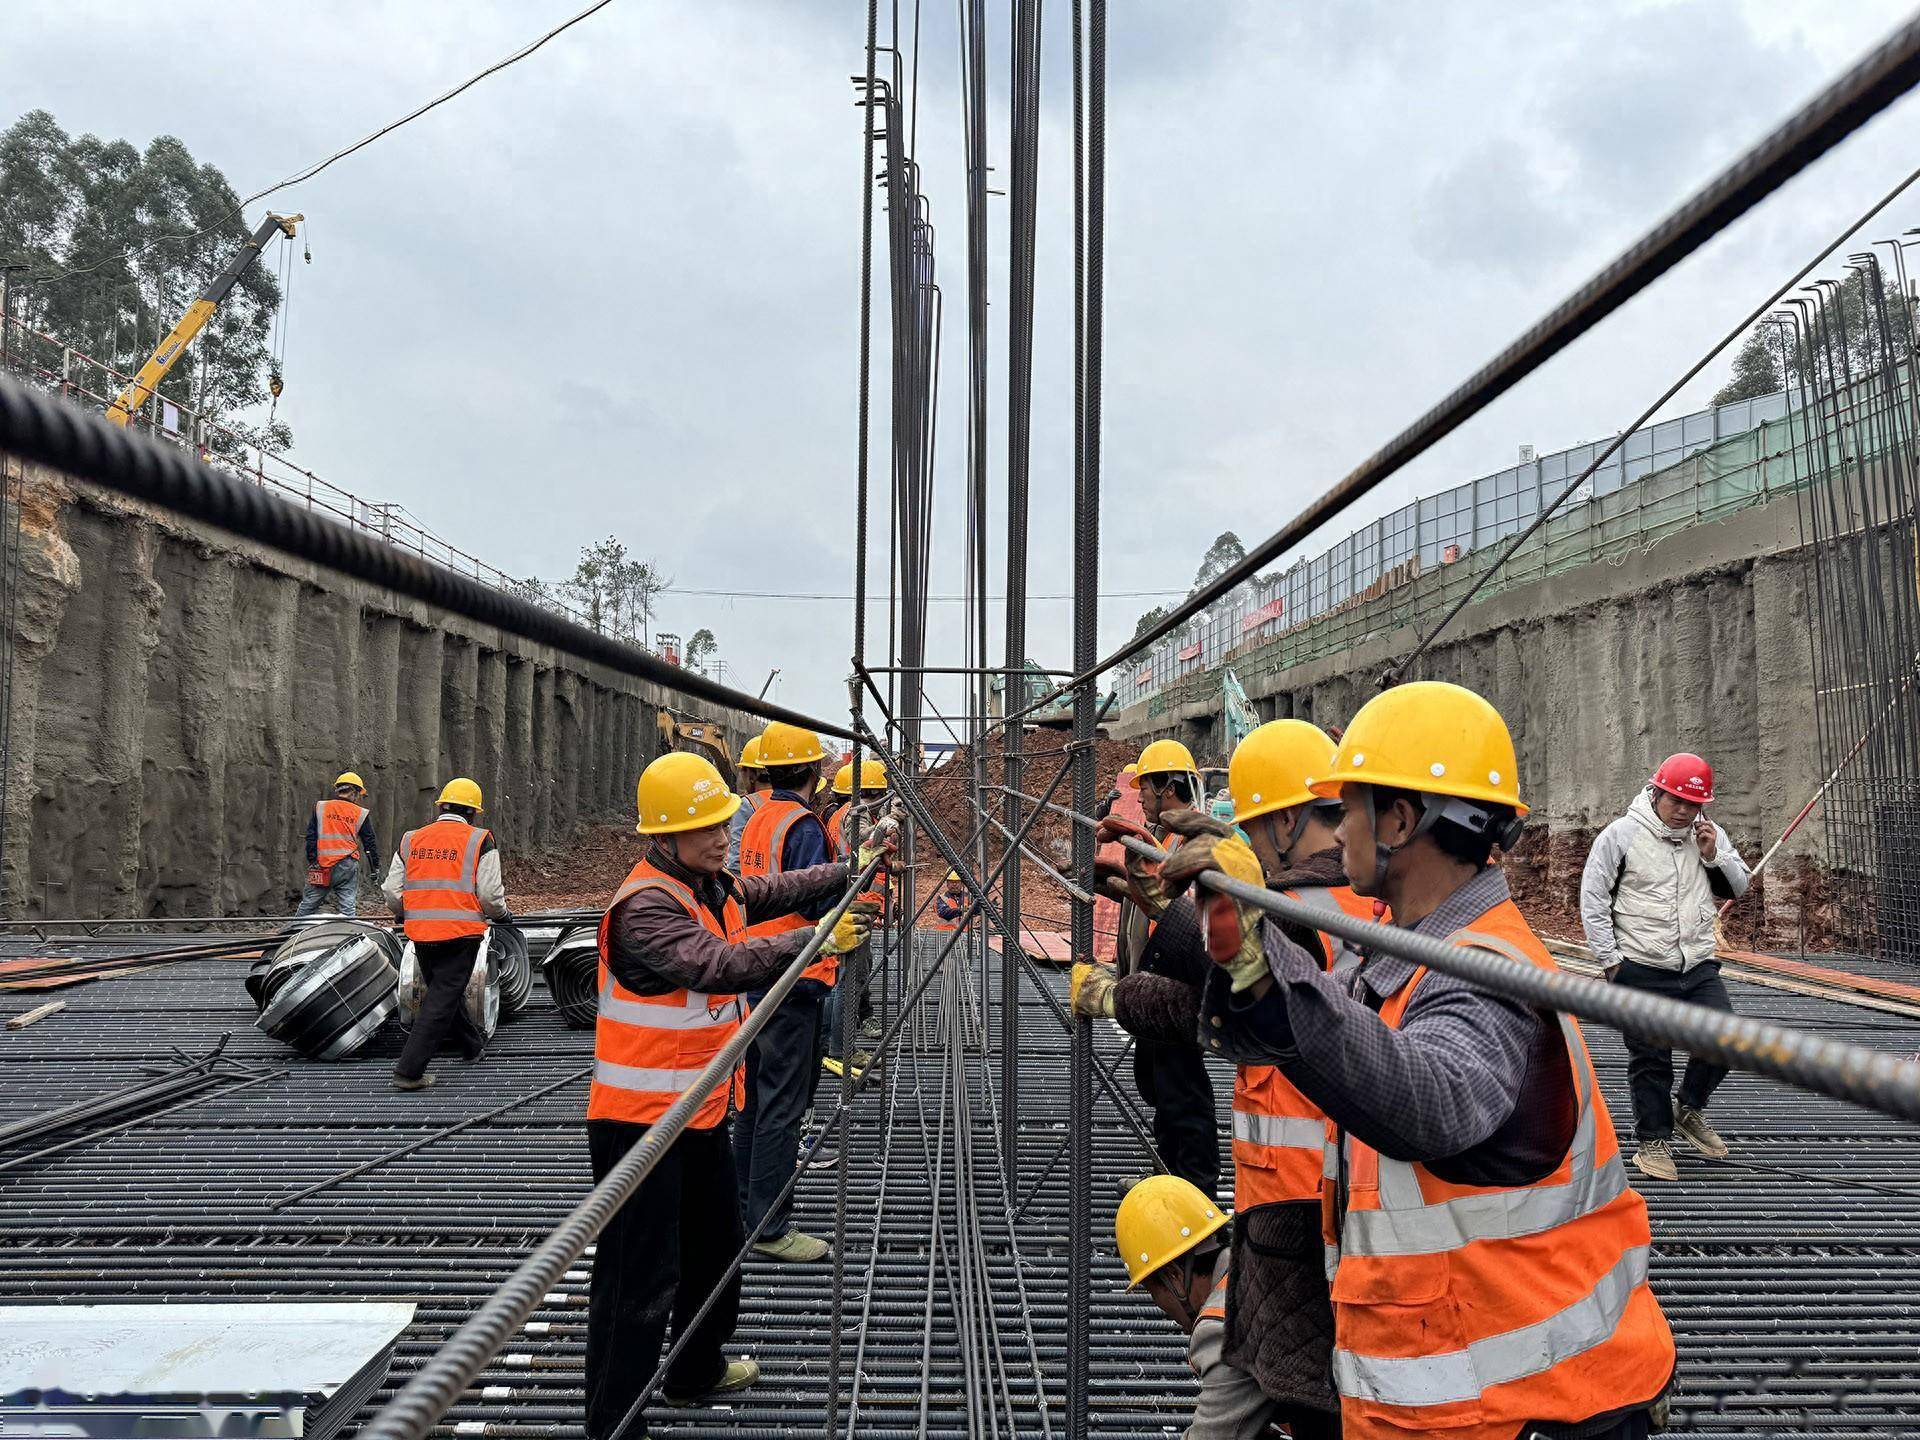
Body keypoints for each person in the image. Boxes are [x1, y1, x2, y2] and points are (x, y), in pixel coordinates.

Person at [1183, 681, 1676, 1440]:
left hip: (1537, 1411)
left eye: (1346, 806)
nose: (1335, 827)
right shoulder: (1409, 956)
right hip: (1470, 1402)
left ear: (1401, 820)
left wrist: (1262, 961)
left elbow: (1432, 1096)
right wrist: (1219, 934)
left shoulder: (1484, 973)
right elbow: (1325, 1013)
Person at [1074, 719, 1361, 1437]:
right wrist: (1158, 896)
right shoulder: (1304, 903)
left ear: (1288, 822)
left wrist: (1112, 994)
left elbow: (1215, 994)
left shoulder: (1308, 915)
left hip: (1315, 1209)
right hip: (1297, 1206)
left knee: (1312, 1395)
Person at [585, 751, 881, 1439]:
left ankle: (693, 1371)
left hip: (698, 1112)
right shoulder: (646, 908)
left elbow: (774, 889)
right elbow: (715, 966)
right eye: (704, 828)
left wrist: (850, 867)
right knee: (638, 1282)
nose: (721, 836)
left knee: (714, 1251)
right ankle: (612, 1424)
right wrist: (814, 940)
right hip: (638, 1125)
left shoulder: (709, 883)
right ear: (664, 837)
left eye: (722, 821)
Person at [1580, 751, 1750, 1182]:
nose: (1683, 811)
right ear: (1656, 792)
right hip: (1639, 965)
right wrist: (1611, 961)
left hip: (1695, 964)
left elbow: (1740, 886)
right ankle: (1652, 1141)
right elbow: (1594, 898)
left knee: (1725, 1036)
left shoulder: (1708, 836)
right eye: (1675, 800)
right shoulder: (1621, 836)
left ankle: (1688, 1109)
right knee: (1651, 1057)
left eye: (1693, 805)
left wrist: (1715, 856)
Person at [733, 721, 844, 1262]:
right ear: (816, 771)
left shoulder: (759, 818)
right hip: (794, 977)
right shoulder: (802, 826)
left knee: (755, 1099)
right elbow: (813, 900)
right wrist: (854, 887)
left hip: (756, 972)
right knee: (783, 1104)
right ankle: (771, 1225)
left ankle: (744, 1205)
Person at [1095, 736, 1221, 1196]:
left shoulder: (1196, 842)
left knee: (1181, 1090)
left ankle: (1196, 1191)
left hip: (1179, 987)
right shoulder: (1167, 836)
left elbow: (1187, 915)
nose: (1141, 795)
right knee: (1158, 1084)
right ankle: (1171, 1179)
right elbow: (1158, 903)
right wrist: (1117, 884)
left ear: (1169, 786)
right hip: (1155, 981)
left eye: (1146, 787)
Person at [1114, 1174, 1273, 1440]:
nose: (1158, 1305)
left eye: (1153, 1291)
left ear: (1175, 1276)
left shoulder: (1223, 1326)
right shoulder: (1261, 1258)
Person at [381, 778, 512, 1091]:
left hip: (422, 934)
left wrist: (405, 911)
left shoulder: (411, 839)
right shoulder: (481, 840)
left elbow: (391, 890)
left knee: (444, 992)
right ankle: (408, 1071)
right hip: (461, 934)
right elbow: (490, 895)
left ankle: (471, 1046)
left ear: (440, 806)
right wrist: (502, 916)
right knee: (440, 1000)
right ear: (474, 813)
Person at [297, 772, 379, 917]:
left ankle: (292, 935)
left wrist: (312, 860)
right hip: (346, 865)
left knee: (308, 905)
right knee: (347, 905)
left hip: (321, 865)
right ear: (354, 792)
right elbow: (369, 843)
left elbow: (311, 836)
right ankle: (349, 935)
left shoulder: (321, 807)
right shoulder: (360, 813)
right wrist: (375, 868)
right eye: (359, 794)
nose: (359, 798)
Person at [726, 735, 769, 872]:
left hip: (753, 884)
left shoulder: (746, 805)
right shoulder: (789, 803)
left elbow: (737, 859)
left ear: (752, 774)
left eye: (743, 771)